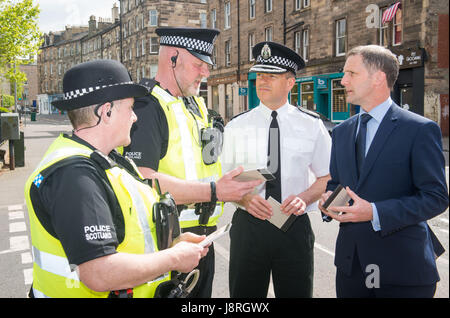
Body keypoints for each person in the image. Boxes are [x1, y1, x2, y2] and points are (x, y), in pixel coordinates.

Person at [24, 59, 209, 298]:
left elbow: (127, 237)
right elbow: (98, 272)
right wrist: (173, 258)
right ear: (106, 111)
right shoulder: (75, 175)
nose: (135, 118)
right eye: (130, 108)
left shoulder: (108, 160)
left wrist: (174, 245)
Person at [124, 27, 261, 298]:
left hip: (202, 240)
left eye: (207, 65)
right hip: (167, 243)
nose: (206, 73)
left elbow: (207, 165)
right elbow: (140, 179)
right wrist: (214, 192)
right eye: (199, 64)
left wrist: (244, 186)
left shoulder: (195, 105)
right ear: (172, 58)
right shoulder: (147, 106)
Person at [319, 45, 448, 298]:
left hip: (402, 271)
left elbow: (436, 197)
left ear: (378, 77)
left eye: (351, 73)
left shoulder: (419, 130)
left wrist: (375, 212)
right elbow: (337, 184)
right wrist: (330, 201)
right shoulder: (342, 131)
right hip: (351, 269)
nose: (343, 80)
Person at [221, 41, 332, 298]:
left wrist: (304, 199)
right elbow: (226, 180)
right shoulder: (237, 127)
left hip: (292, 226)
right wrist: (246, 198)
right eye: (259, 75)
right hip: (249, 225)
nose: (262, 81)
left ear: (290, 82)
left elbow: (326, 177)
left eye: (271, 76)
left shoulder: (312, 125)